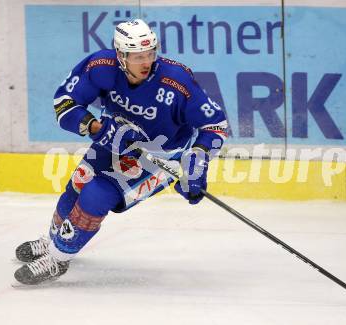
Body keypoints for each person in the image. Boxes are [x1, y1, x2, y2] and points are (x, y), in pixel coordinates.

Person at [13, 19, 228, 285]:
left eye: (150, 54)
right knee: (78, 183)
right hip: (116, 139)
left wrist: (198, 158)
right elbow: (64, 102)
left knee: (97, 193)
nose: (146, 62)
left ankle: (58, 259)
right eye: (138, 56)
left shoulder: (177, 81)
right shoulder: (101, 67)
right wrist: (94, 126)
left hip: (160, 155)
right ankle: (55, 239)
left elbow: (215, 125)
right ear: (121, 55)